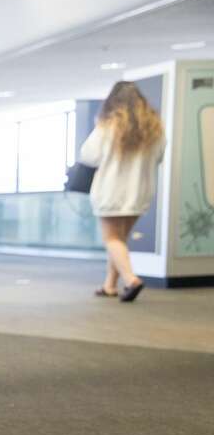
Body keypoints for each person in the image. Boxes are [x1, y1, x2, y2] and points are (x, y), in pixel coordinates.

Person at [78, 81, 166, 303]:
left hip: (111, 190)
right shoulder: (154, 128)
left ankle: (131, 280)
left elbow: (88, 155)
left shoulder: (107, 126)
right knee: (120, 240)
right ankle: (109, 286)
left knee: (111, 238)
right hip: (139, 191)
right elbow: (159, 158)